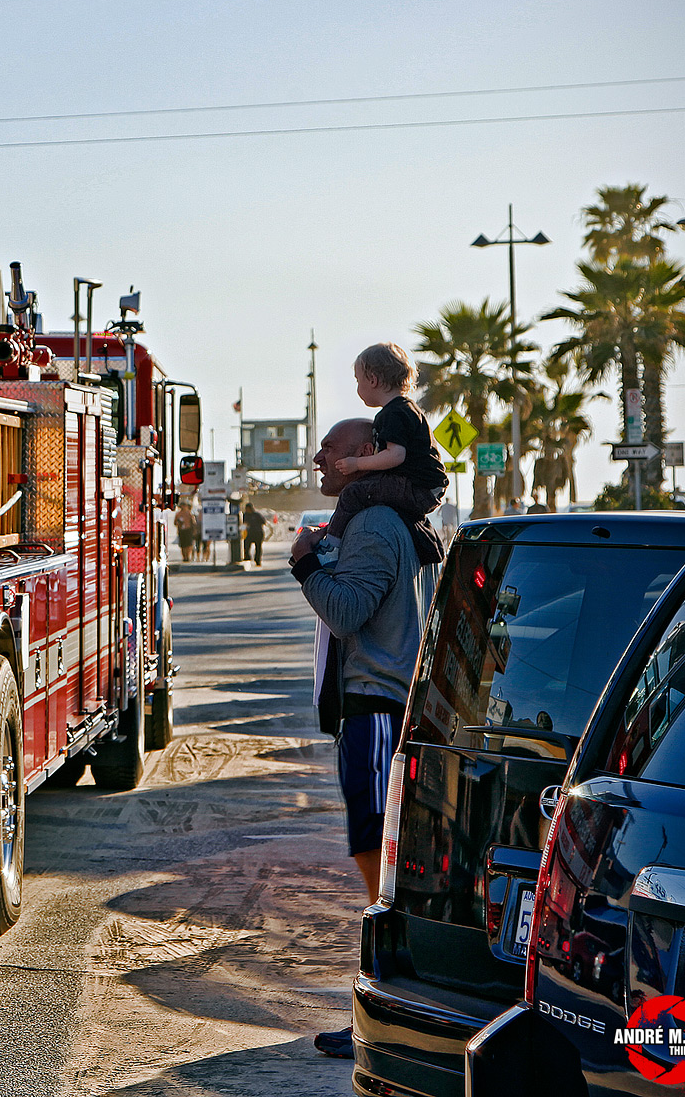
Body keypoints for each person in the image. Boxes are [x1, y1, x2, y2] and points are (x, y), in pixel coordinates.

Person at [291, 418, 439, 1060]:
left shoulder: (376, 523)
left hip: (378, 711)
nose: (320, 458)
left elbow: (348, 610)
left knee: (383, 869)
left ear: (370, 454)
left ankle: (387, 1017)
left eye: (332, 447)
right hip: (377, 711)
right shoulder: (381, 520)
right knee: (381, 865)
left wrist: (304, 566)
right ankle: (390, 1012)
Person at [323, 342, 447, 567]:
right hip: (427, 487)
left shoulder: (393, 413)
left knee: (353, 492)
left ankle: (331, 548)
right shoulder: (408, 409)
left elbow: (395, 456)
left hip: (417, 487)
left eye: (358, 380)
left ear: (373, 380)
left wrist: (357, 463)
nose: (358, 388)